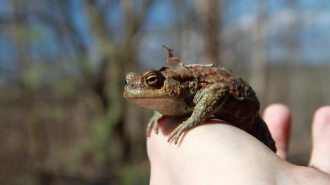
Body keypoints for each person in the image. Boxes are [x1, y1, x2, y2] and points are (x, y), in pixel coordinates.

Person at [147, 104, 330, 184]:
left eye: (152, 81)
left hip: (247, 112)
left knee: (271, 150)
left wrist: (195, 119)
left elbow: (218, 89)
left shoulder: (193, 85)